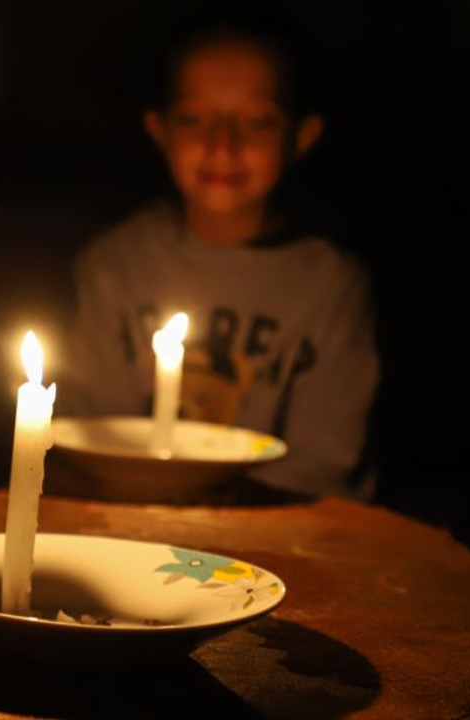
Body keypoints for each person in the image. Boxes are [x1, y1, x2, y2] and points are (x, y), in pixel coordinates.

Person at [65, 2, 378, 499]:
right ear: (159, 129)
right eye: (194, 118)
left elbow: (323, 464)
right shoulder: (113, 267)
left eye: (256, 122)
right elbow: (92, 439)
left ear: (301, 135)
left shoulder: (328, 283)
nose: (222, 144)